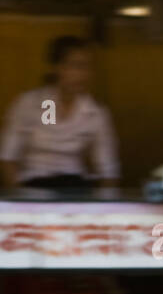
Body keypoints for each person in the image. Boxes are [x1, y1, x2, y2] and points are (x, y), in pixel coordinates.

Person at [0, 35, 120, 190]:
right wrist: (22, 200)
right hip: (33, 186)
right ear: (56, 68)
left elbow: (108, 169)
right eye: (75, 66)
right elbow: (7, 158)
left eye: (87, 67)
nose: (83, 75)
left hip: (76, 188)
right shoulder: (30, 103)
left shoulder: (95, 113)